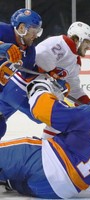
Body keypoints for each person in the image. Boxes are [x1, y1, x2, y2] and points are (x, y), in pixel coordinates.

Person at [35, 21, 90, 138]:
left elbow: (74, 89)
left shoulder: (75, 62)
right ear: (77, 39)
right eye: (87, 42)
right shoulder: (60, 44)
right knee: (61, 119)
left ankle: (46, 146)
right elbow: (39, 56)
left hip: (37, 93)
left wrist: (88, 104)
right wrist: (53, 73)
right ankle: (46, 147)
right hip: (26, 86)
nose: (89, 47)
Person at [0, 8, 43, 140]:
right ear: (22, 27)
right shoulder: (2, 30)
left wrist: (48, 76)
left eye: (38, 31)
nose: (35, 35)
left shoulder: (30, 52)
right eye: (33, 30)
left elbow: (27, 76)